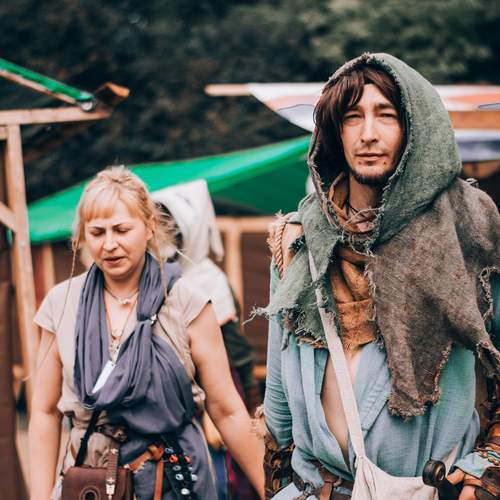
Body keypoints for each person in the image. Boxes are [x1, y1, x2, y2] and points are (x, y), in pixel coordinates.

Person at [260, 53, 500, 499]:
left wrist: (489, 463)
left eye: (386, 115)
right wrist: (278, 479)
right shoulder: (299, 241)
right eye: (353, 117)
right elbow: (278, 395)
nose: (368, 133)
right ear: (335, 132)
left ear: (415, 127)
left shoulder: (469, 231)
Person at [28, 166, 264, 500]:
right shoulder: (62, 303)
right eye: (97, 233)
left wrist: (273, 492)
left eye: (122, 230)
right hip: (91, 484)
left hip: (173, 482)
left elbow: (227, 409)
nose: (110, 244)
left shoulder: (187, 303)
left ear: (149, 226)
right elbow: (44, 412)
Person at [152, 180, 261, 499]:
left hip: (216, 395)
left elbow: (236, 351)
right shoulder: (155, 281)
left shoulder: (207, 282)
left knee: (223, 479)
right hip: (174, 404)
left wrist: (246, 406)